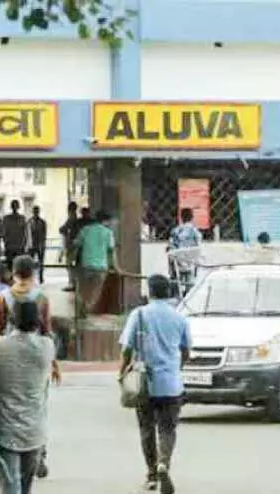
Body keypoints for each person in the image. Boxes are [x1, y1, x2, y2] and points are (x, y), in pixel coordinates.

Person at [118, 274, 192, 494]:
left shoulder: (139, 315)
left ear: (149, 292)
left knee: (146, 428)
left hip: (145, 384)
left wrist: (121, 373)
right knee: (168, 428)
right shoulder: (179, 318)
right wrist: (177, 367)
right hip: (171, 383)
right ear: (169, 292)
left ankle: (151, 474)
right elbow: (186, 351)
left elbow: (126, 349)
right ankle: (164, 464)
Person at [0, 301, 55, 494]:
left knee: (10, 486)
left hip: (5, 428)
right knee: (25, 486)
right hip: (35, 430)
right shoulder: (47, 346)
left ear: (11, 320)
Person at [72, 211, 118, 317]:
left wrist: (72, 260)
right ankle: (87, 307)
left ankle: (81, 308)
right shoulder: (108, 232)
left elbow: (75, 244)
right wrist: (116, 267)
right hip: (101, 268)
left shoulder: (85, 230)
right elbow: (111, 251)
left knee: (82, 290)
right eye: (110, 221)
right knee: (96, 292)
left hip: (86, 265)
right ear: (105, 221)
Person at [168, 208, 202, 295]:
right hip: (191, 262)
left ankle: (175, 289)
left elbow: (171, 246)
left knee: (171, 257)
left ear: (181, 217)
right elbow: (199, 246)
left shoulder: (175, 231)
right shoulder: (195, 231)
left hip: (178, 263)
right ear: (192, 217)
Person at [58, 202, 79, 292]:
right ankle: (73, 283)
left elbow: (63, 228)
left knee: (70, 264)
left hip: (71, 244)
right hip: (73, 243)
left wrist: (62, 229)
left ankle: (73, 284)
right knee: (71, 264)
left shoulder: (72, 218)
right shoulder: (74, 217)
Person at [2, 200, 27, 271]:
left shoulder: (22, 218)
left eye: (16, 206)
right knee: (10, 266)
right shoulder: (6, 219)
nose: (15, 207)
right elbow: (4, 233)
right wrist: (6, 242)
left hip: (19, 247)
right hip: (10, 247)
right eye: (13, 205)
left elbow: (25, 233)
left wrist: (24, 244)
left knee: (19, 267)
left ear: (18, 207)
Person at [26, 205, 47, 285]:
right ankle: (30, 277)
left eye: (37, 211)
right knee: (30, 263)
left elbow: (44, 234)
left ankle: (41, 277)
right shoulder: (29, 222)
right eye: (35, 211)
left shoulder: (42, 222)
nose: (36, 213)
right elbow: (27, 234)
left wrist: (43, 244)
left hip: (40, 245)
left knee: (41, 262)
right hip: (31, 245)